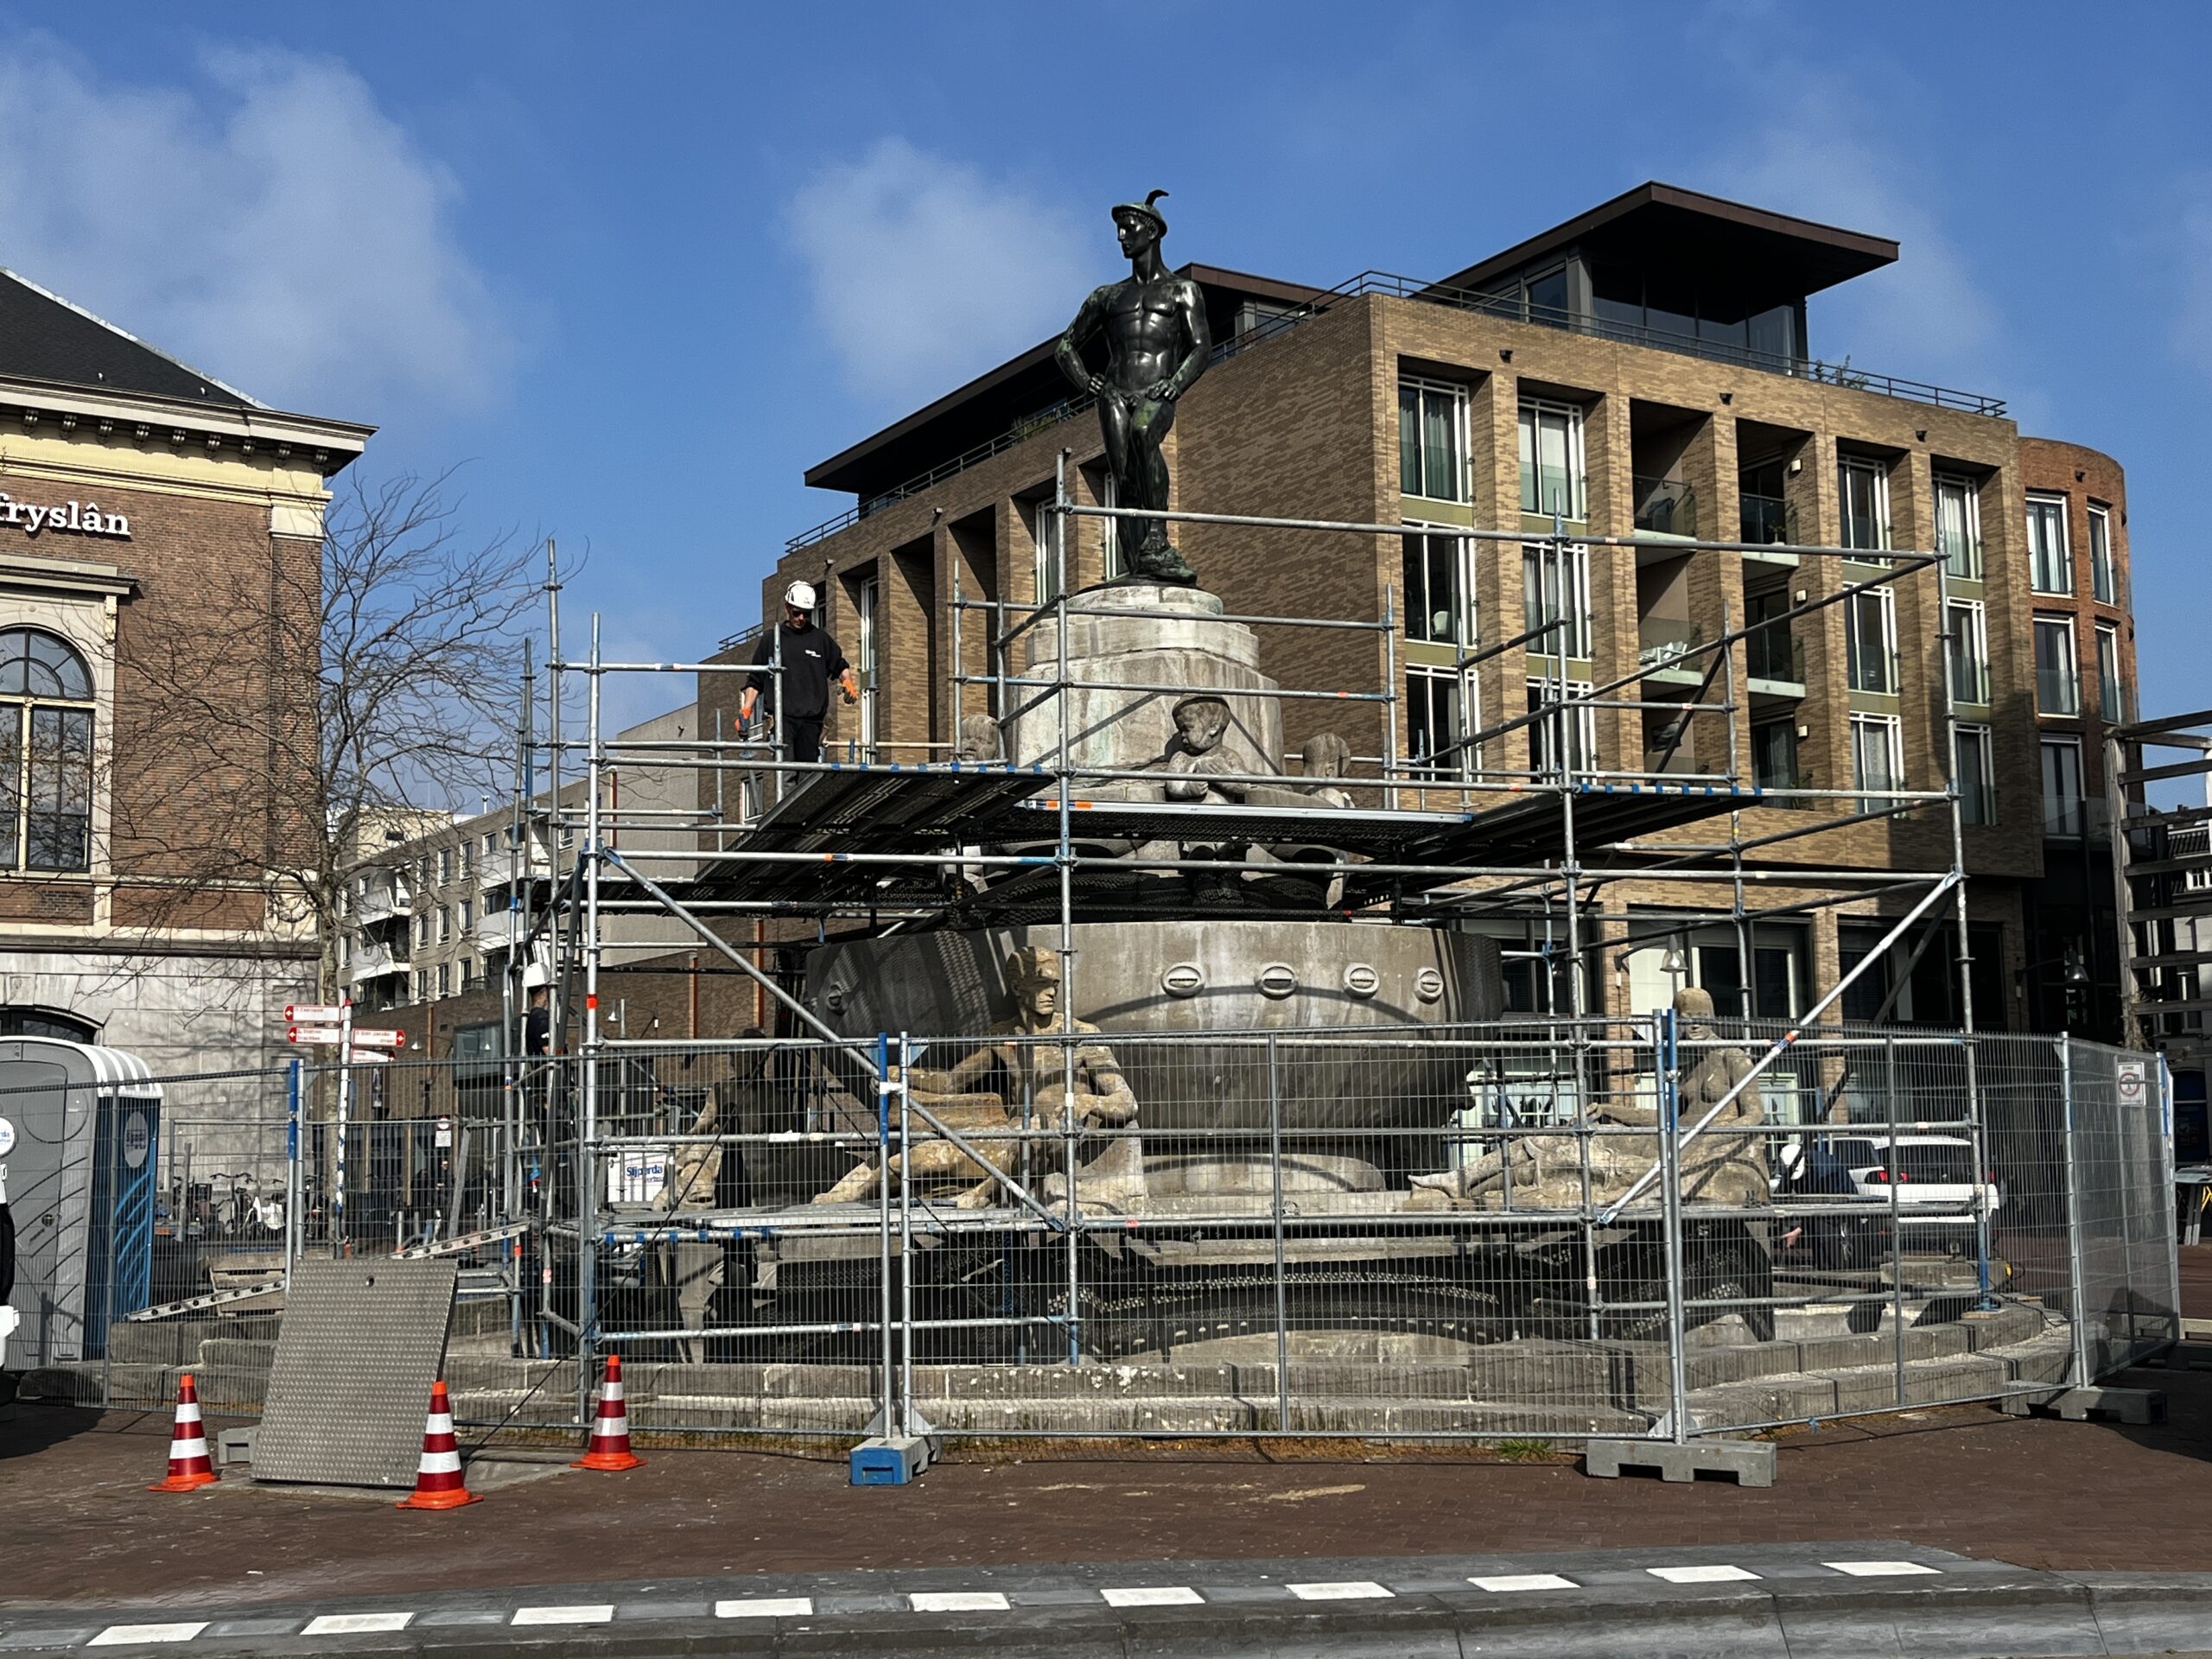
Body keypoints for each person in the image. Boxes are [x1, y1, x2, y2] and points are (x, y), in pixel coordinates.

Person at [1053, 191, 1211, 586]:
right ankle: (1137, 561)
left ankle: (1158, 537)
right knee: (1124, 475)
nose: (1121, 236)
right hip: (1114, 393)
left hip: (1156, 390)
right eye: (1119, 230)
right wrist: (1086, 381)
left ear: (1152, 231)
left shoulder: (1182, 291)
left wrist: (1176, 383)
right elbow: (1065, 346)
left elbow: (1201, 348)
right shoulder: (1107, 296)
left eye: (1129, 228)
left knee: (1144, 434)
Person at [738, 581, 858, 765]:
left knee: (808, 773)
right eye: (796, 613)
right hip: (782, 719)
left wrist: (848, 682)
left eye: (806, 614)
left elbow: (840, 665)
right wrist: (746, 710)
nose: (801, 618)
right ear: (787, 608)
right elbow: (755, 680)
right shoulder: (772, 639)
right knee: (786, 771)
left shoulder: (820, 639)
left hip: (812, 720)